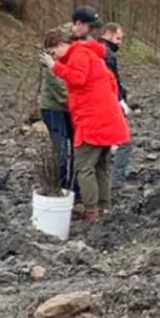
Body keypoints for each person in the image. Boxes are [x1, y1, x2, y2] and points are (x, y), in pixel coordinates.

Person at [48, 30, 132, 220]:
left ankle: (91, 211)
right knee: (101, 165)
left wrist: (55, 67)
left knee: (84, 167)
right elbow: (111, 82)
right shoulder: (91, 54)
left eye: (53, 53)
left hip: (92, 121)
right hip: (107, 118)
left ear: (61, 45)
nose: (53, 57)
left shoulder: (78, 55)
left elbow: (78, 78)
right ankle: (104, 208)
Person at [38, 26, 79, 198]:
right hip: (54, 109)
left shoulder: (72, 57)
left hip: (70, 108)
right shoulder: (50, 64)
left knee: (77, 148)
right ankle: (60, 188)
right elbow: (61, 91)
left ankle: (75, 188)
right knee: (61, 150)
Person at [98, 22, 134, 182]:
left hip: (100, 104)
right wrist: (120, 101)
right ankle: (116, 181)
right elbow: (111, 82)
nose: (119, 42)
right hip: (109, 104)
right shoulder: (107, 55)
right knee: (124, 142)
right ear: (109, 34)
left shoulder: (96, 50)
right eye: (118, 38)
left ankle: (104, 179)